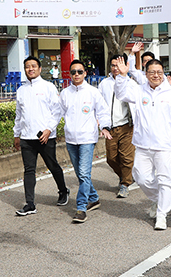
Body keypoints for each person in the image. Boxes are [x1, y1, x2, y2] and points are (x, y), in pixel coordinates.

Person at [113, 56, 171, 230]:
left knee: (165, 179)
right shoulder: (139, 91)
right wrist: (122, 76)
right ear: (146, 74)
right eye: (152, 72)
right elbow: (121, 94)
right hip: (143, 143)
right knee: (141, 177)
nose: (156, 75)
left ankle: (162, 214)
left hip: (164, 144)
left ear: (163, 73)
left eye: (159, 72)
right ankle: (159, 199)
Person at [13, 56, 70, 216]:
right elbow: (19, 114)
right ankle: (30, 204)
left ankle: (63, 190)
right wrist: (16, 134)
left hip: (45, 137)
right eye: (27, 67)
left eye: (33, 66)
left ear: (39, 68)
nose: (30, 69)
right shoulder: (21, 90)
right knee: (29, 170)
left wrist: (49, 129)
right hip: (27, 138)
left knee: (53, 166)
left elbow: (56, 111)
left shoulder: (48, 87)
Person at [60, 60, 113, 223]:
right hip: (71, 139)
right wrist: (48, 129)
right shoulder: (65, 93)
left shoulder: (93, 92)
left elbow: (103, 111)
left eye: (79, 72)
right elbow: (56, 113)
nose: (76, 74)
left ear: (85, 73)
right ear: (69, 74)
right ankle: (94, 198)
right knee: (80, 173)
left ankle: (81, 207)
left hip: (87, 138)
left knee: (83, 174)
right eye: (73, 72)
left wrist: (105, 127)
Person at [98, 50, 138, 198]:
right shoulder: (104, 84)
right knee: (111, 158)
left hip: (127, 126)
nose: (115, 68)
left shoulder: (131, 83)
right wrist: (101, 123)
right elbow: (99, 104)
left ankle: (125, 184)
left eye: (118, 65)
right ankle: (126, 175)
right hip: (110, 127)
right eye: (113, 65)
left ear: (125, 65)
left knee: (127, 157)